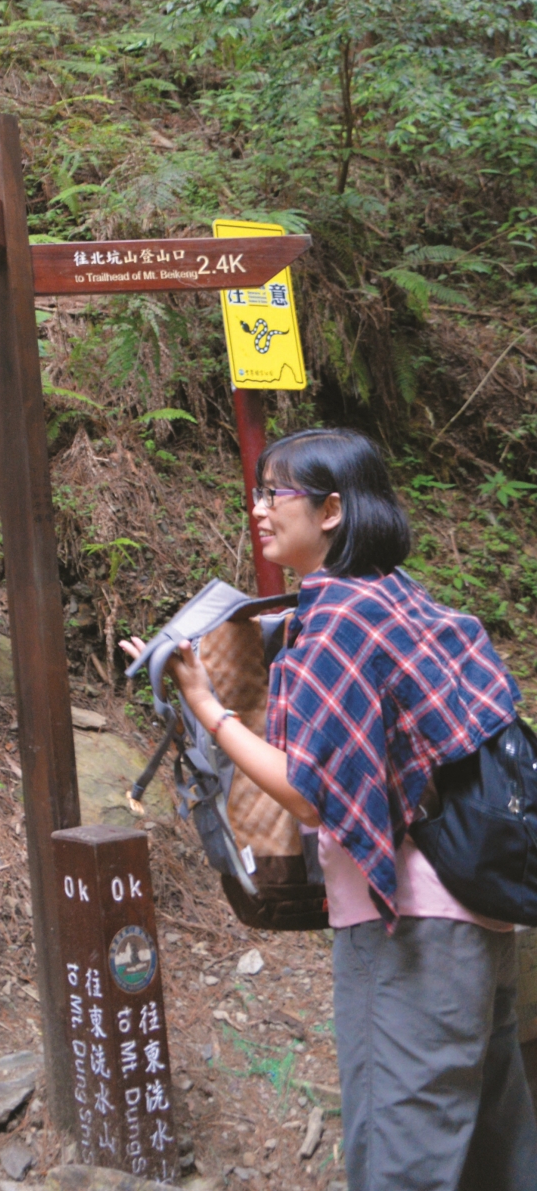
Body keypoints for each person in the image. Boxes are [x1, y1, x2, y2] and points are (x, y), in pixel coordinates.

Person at [123, 427, 537, 1191]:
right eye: (258, 492)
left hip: (409, 928)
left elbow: (308, 790)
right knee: (492, 1144)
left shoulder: (337, 620)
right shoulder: (396, 594)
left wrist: (208, 707)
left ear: (333, 509)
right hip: (479, 913)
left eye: (275, 492)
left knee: (403, 1153)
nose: (259, 508)